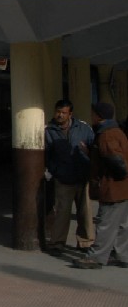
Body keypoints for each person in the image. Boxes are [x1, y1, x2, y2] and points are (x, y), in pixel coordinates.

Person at [73, 102, 128, 269]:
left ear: (98, 115)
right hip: (123, 187)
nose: (92, 116)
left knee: (106, 223)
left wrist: (105, 178)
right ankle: (123, 255)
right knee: (122, 224)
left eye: (93, 113)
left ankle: (96, 257)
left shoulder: (106, 134)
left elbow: (115, 161)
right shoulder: (118, 131)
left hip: (112, 186)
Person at [44, 99, 95, 254]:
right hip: (63, 178)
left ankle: (85, 242)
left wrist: (88, 156)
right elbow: (46, 155)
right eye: (58, 112)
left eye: (63, 112)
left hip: (82, 176)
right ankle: (57, 243)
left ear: (70, 114)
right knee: (62, 212)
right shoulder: (49, 130)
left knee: (85, 212)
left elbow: (94, 148)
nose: (60, 115)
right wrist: (55, 170)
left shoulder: (84, 128)